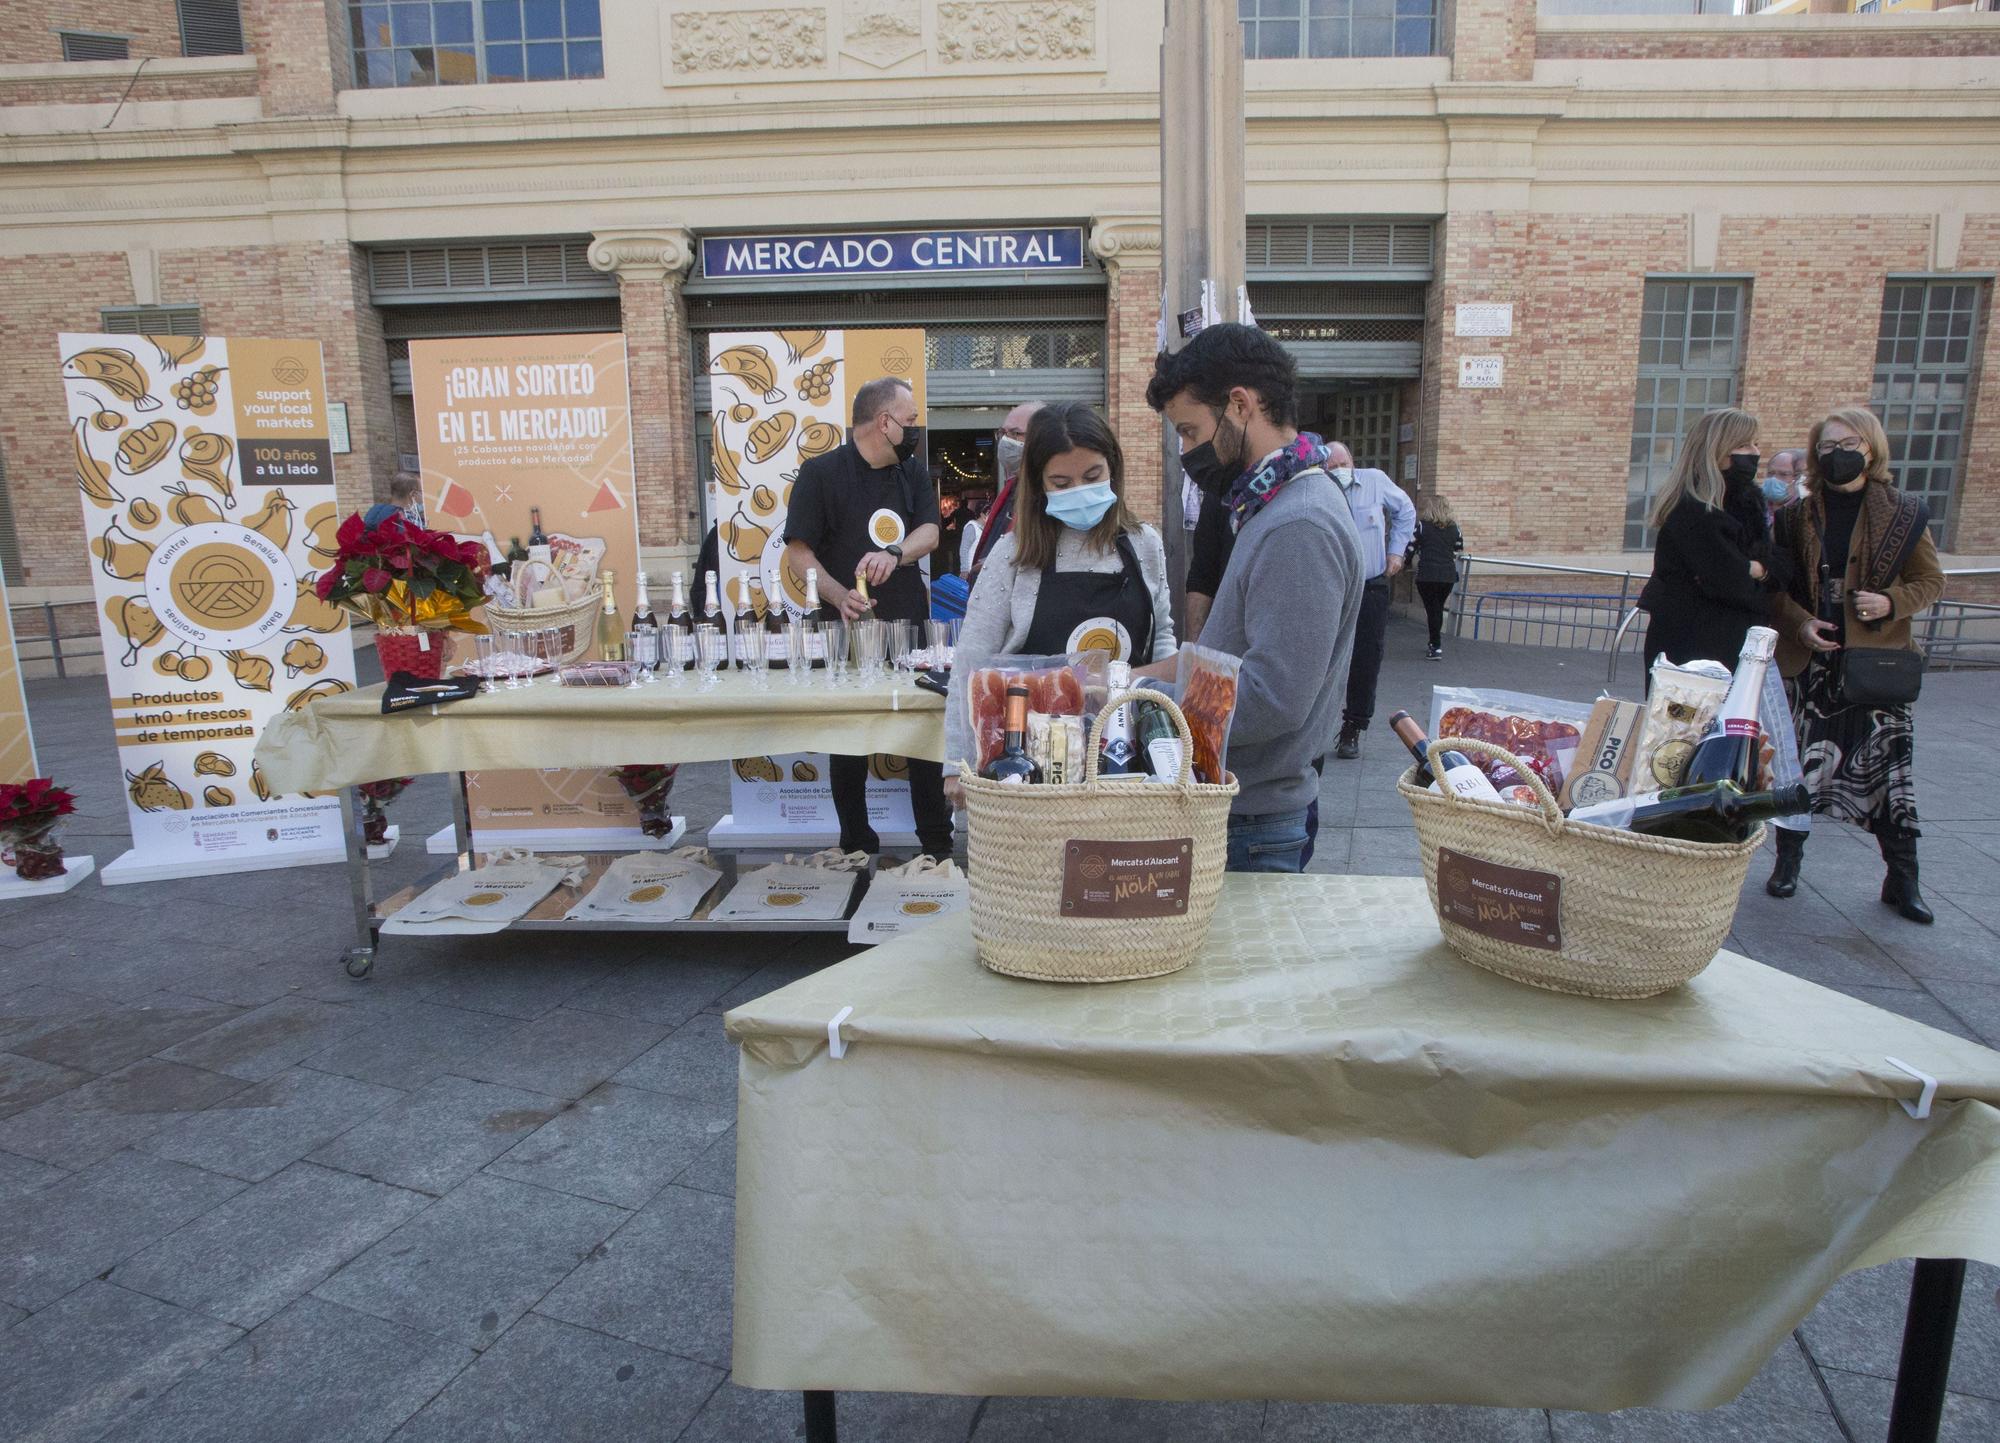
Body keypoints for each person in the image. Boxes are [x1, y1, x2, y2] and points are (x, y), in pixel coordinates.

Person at [1146, 323, 1364, 874]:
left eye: (1191, 430)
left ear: (1240, 405)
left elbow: (1271, 697)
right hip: (1243, 812)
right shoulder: (1271, 506)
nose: (1187, 451)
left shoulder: (1299, 523)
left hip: (1253, 822)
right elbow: (1223, 656)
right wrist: (1119, 681)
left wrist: (1146, 705)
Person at [944, 402, 1177, 801]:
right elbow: (971, 661)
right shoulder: (1013, 555)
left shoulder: (1144, 544)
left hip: (1126, 764)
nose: (1079, 491)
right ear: (1039, 485)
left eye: (1092, 476)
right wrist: (955, 764)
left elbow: (1162, 638)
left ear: (1113, 470)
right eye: (1062, 483)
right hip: (1032, 769)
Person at [1765, 406, 1943, 921]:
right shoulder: (1798, 515)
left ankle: (1902, 878)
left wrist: (1890, 602)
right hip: (1814, 662)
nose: (1836, 454)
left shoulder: (1905, 512)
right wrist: (1800, 623)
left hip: (1875, 664)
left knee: (1889, 772)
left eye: (1847, 444)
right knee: (1797, 771)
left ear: (1870, 447)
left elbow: (1930, 582)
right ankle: (1788, 864)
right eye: (1826, 446)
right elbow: (1776, 589)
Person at [783, 376, 953, 861]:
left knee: (923, 735)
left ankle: (937, 847)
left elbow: (930, 533)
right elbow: (798, 550)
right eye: (911, 421)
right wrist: (838, 596)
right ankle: (857, 844)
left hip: (912, 630)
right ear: (885, 422)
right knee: (850, 738)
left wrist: (896, 553)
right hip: (846, 632)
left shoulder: (912, 471)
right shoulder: (821, 474)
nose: (916, 430)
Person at [1635, 408, 1774, 676]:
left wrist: (1760, 569)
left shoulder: (1746, 503)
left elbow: (1777, 562)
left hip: (1732, 644)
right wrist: (1758, 575)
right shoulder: (1693, 510)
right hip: (1694, 647)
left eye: (1756, 444)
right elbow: (1733, 583)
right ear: (1717, 450)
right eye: (1744, 445)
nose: (1755, 452)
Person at [1329, 442, 1417, 760]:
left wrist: (1397, 550)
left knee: (1366, 659)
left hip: (1370, 586)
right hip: (1332, 589)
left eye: (1343, 463)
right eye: (1332, 466)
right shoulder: (1322, 489)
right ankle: (1315, 726)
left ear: (1353, 461)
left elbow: (1405, 511)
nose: (1339, 470)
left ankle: (1354, 725)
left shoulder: (1375, 480)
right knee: (1325, 659)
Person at [965, 401, 1043, 580]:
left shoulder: (1050, 495)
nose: (1005, 440)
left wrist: (1002, 563)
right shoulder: (1014, 487)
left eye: (1015, 433)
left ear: (1041, 437)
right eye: (1002, 433)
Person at [1411, 493, 1463, 660]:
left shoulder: (1422, 526)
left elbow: (1411, 547)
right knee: (1438, 608)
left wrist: (1404, 564)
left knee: (1431, 609)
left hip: (1427, 574)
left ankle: (1435, 644)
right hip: (1447, 574)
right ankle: (1435, 643)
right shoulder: (1455, 528)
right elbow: (1458, 549)